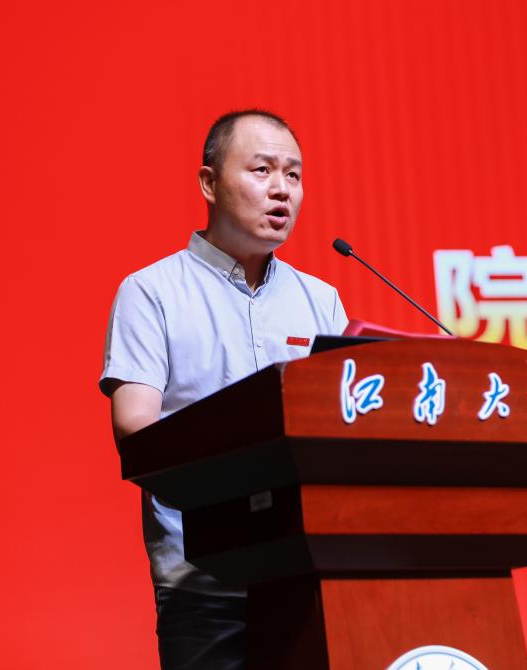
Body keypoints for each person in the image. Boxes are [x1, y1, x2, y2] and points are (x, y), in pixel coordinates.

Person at [99, 110, 348, 669]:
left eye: (294, 174)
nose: (282, 189)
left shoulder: (321, 300)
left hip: (305, 576)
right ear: (209, 183)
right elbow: (135, 428)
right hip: (203, 584)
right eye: (262, 170)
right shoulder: (152, 292)